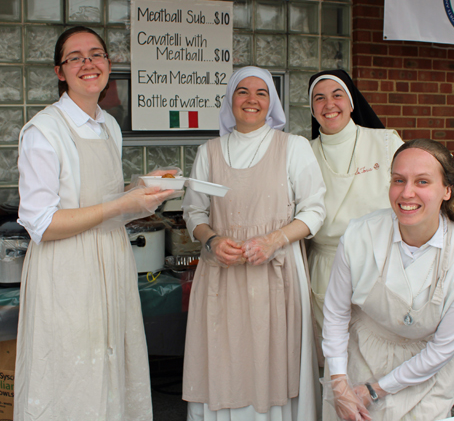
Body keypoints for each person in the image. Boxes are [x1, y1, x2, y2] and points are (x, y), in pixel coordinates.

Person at [15, 26, 175, 421]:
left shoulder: (109, 125)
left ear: (108, 64)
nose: (88, 63)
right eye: (76, 57)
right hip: (66, 270)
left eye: (96, 54)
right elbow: (42, 223)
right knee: (71, 375)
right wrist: (124, 202)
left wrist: (145, 188)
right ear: (60, 72)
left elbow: (104, 198)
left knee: (110, 369)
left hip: (111, 264)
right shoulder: (43, 132)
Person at [182, 66, 327, 420]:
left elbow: (315, 210)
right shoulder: (209, 152)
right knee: (225, 355)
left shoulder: (293, 148)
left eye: (261, 92)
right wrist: (213, 240)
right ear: (230, 101)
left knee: (272, 357)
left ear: (271, 102)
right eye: (242, 91)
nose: (251, 99)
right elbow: (194, 214)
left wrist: (275, 240)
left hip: (276, 272)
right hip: (223, 274)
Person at [322, 139, 454, 420]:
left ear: (447, 190)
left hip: (426, 377)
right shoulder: (359, 236)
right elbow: (336, 314)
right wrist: (340, 383)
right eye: (399, 180)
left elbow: (440, 351)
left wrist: (374, 391)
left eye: (422, 182)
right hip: (359, 360)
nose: (406, 193)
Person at [306, 70, 404, 342]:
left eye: (337, 95)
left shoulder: (385, 143)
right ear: (312, 109)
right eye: (319, 98)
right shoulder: (303, 152)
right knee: (334, 353)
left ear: (351, 103)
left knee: (382, 347)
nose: (329, 104)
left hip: (382, 261)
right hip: (326, 265)